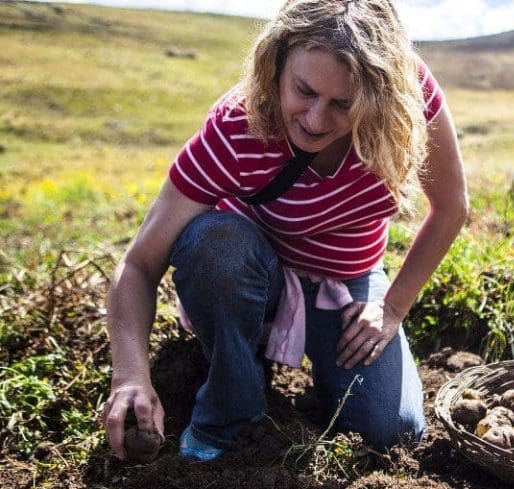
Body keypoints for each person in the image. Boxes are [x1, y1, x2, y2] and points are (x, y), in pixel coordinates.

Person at [102, 0, 467, 462]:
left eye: (342, 104)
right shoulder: (237, 126)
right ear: (277, 65)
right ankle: (236, 393)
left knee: (391, 432)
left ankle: (281, 353)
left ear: (379, 96)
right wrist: (131, 375)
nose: (315, 120)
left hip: (345, 281)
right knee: (216, 244)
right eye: (304, 91)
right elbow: (138, 265)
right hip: (250, 276)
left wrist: (392, 307)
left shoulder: (408, 101)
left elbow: (452, 208)